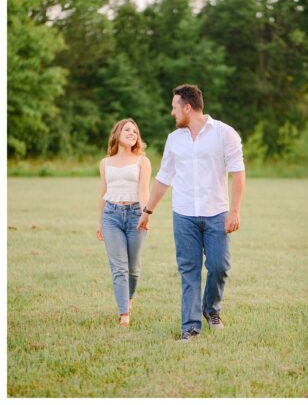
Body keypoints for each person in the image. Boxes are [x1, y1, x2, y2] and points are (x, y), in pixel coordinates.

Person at [137, 84, 246, 342]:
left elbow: (238, 173)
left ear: (187, 108)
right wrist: (148, 210)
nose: (172, 112)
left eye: (175, 108)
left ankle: (211, 309)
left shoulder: (224, 133)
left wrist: (235, 211)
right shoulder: (174, 140)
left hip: (216, 212)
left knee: (220, 266)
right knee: (189, 270)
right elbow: (164, 178)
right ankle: (191, 327)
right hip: (184, 214)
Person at [97, 118, 152, 328]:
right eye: (127, 130)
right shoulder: (105, 163)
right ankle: (124, 314)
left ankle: (129, 298)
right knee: (119, 268)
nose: (132, 133)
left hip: (135, 214)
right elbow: (103, 192)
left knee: (133, 267)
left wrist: (145, 214)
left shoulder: (142, 161)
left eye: (135, 132)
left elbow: (143, 190)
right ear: (117, 133)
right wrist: (99, 222)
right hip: (111, 215)